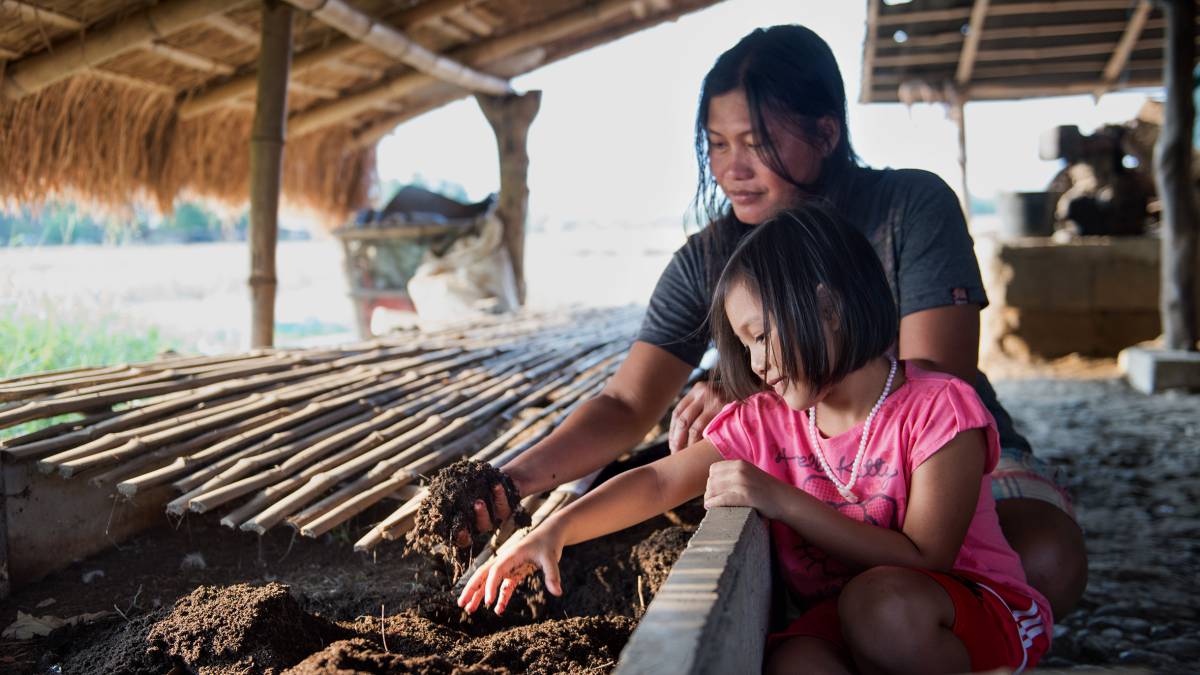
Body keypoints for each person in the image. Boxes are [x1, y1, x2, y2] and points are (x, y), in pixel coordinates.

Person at [461, 24, 1086, 618]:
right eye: (718, 143)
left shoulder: (907, 207)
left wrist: (741, 389)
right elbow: (628, 402)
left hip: (928, 453)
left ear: (825, 132)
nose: (732, 167)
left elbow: (936, 372)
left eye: (757, 143)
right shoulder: (711, 259)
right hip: (802, 453)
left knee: (1045, 561)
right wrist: (509, 483)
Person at [459, 208, 1052, 674]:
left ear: (827, 307)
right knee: (792, 662)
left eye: (762, 336)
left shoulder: (937, 409)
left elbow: (927, 559)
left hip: (964, 611)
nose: (757, 364)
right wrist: (556, 530)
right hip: (845, 621)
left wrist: (781, 499)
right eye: (743, 347)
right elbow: (660, 480)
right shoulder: (768, 420)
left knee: (881, 608)